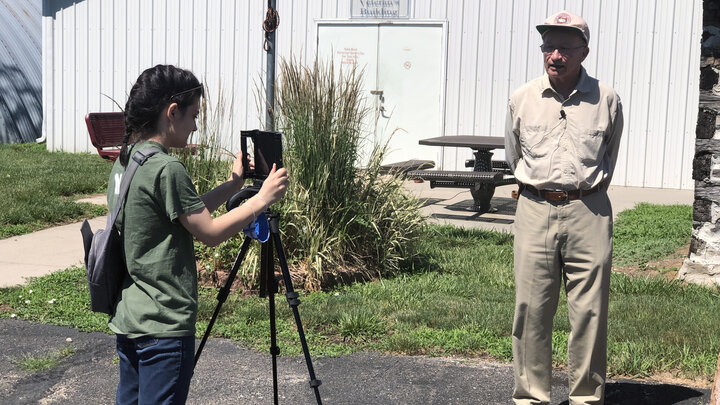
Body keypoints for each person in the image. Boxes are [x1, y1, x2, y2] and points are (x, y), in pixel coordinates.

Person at [107, 64, 289, 404]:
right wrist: (262, 199)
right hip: (164, 324)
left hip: (131, 317)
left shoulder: (127, 162)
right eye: (194, 115)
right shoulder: (167, 168)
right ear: (172, 112)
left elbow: (181, 212)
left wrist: (233, 185)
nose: (195, 125)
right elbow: (210, 231)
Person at [504, 10, 623, 405]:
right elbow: (513, 155)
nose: (555, 55)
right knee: (531, 309)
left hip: (589, 210)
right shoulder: (522, 98)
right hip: (535, 209)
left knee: (589, 311)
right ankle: (532, 397)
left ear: (584, 52)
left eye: (565, 48)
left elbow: (609, 155)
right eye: (548, 46)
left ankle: (586, 397)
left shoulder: (606, 99)